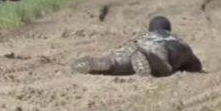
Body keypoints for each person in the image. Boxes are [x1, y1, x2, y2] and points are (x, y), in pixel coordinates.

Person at [71, 16, 202, 77]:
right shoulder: (178, 40)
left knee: (121, 61)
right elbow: (195, 65)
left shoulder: (147, 36)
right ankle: (155, 60)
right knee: (162, 60)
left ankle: (106, 62)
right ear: (169, 29)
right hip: (164, 49)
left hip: (140, 46)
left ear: (151, 29)